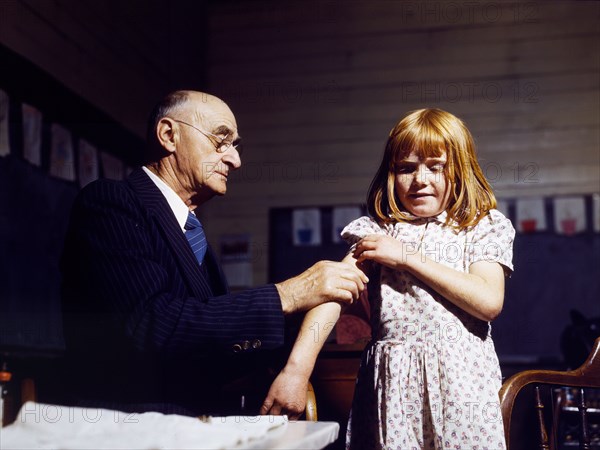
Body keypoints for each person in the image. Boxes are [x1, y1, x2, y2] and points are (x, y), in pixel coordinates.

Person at [60, 90, 367, 417]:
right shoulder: (111, 203)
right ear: (169, 135)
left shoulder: (191, 231)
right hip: (133, 429)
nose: (235, 161)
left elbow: (212, 342)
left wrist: (309, 320)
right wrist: (288, 295)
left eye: (236, 147)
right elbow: (150, 325)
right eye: (221, 141)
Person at [286, 108, 515, 448]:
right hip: (392, 388)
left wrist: (406, 257)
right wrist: (296, 371)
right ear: (391, 174)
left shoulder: (481, 227)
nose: (420, 179)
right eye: (406, 168)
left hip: (461, 385)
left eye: (435, 167)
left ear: (460, 171)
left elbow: (488, 301)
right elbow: (332, 297)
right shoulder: (379, 231)